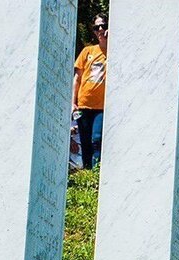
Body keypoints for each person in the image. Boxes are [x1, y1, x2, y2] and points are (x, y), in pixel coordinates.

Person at [72, 13, 108, 169]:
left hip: (102, 106)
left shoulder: (118, 50)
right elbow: (77, 78)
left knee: (97, 139)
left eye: (104, 26)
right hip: (84, 105)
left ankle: (96, 171)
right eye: (96, 27)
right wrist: (73, 102)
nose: (100, 29)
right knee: (85, 140)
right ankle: (87, 171)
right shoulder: (87, 51)